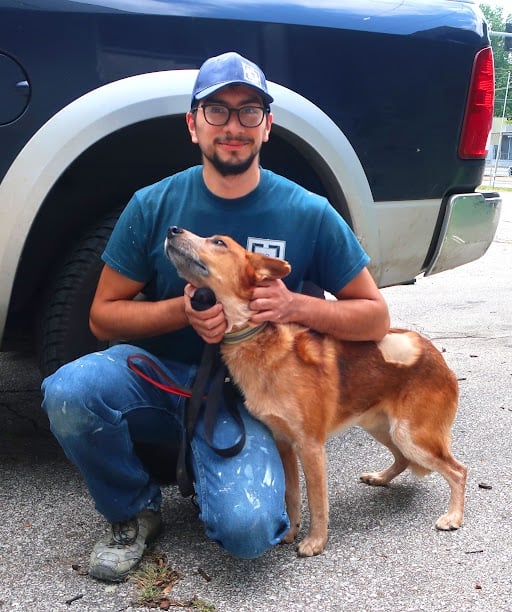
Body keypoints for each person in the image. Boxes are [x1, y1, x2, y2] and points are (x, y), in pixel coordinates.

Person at [41, 51, 390, 582]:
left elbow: (375, 318)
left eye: (249, 111)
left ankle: (220, 474)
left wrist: (295, 304)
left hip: (251, 399)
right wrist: (179, 313)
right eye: (217, 111)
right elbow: (102, 318)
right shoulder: (154, 203)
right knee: (71, 390)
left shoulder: (308, 211)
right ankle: (133, 510)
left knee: (250, 533)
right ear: (193, 124)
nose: (233, 126)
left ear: (267, 127)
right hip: (161, 378)